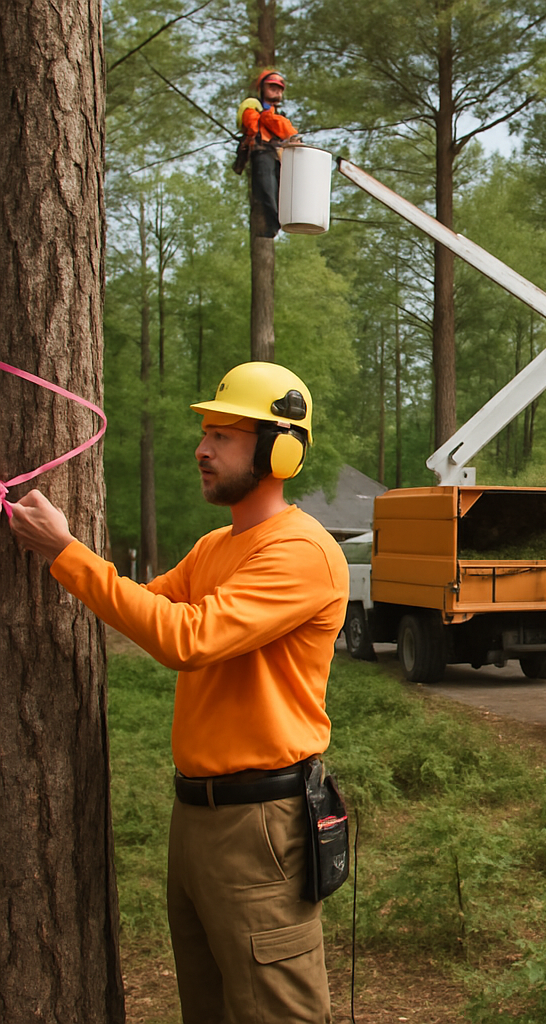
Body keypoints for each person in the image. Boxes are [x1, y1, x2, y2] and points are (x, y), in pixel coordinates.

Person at [9, 361, 348, 1024]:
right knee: (210, 1009)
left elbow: (182, 638)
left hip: (260, 824)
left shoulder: (302, 552)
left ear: (280, 449)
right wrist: (67, 557)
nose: (201, 448)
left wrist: (63, 551)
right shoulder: (215, 546)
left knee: (277, 1013)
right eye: (205, 432)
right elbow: (141, 602)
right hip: (196, 819)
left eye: (222, 434)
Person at [236, 68, 300, 237]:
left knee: (280, 191)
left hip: (277, 156)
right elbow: (252, 124)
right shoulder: (253, 107)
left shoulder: (278, 114)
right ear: (262, 88)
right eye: (272, 87)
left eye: (279, 88)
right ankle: (272, 224)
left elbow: (285, 130)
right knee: (266, 189)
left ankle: (282, 220)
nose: (276, 91)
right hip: (262, 153)